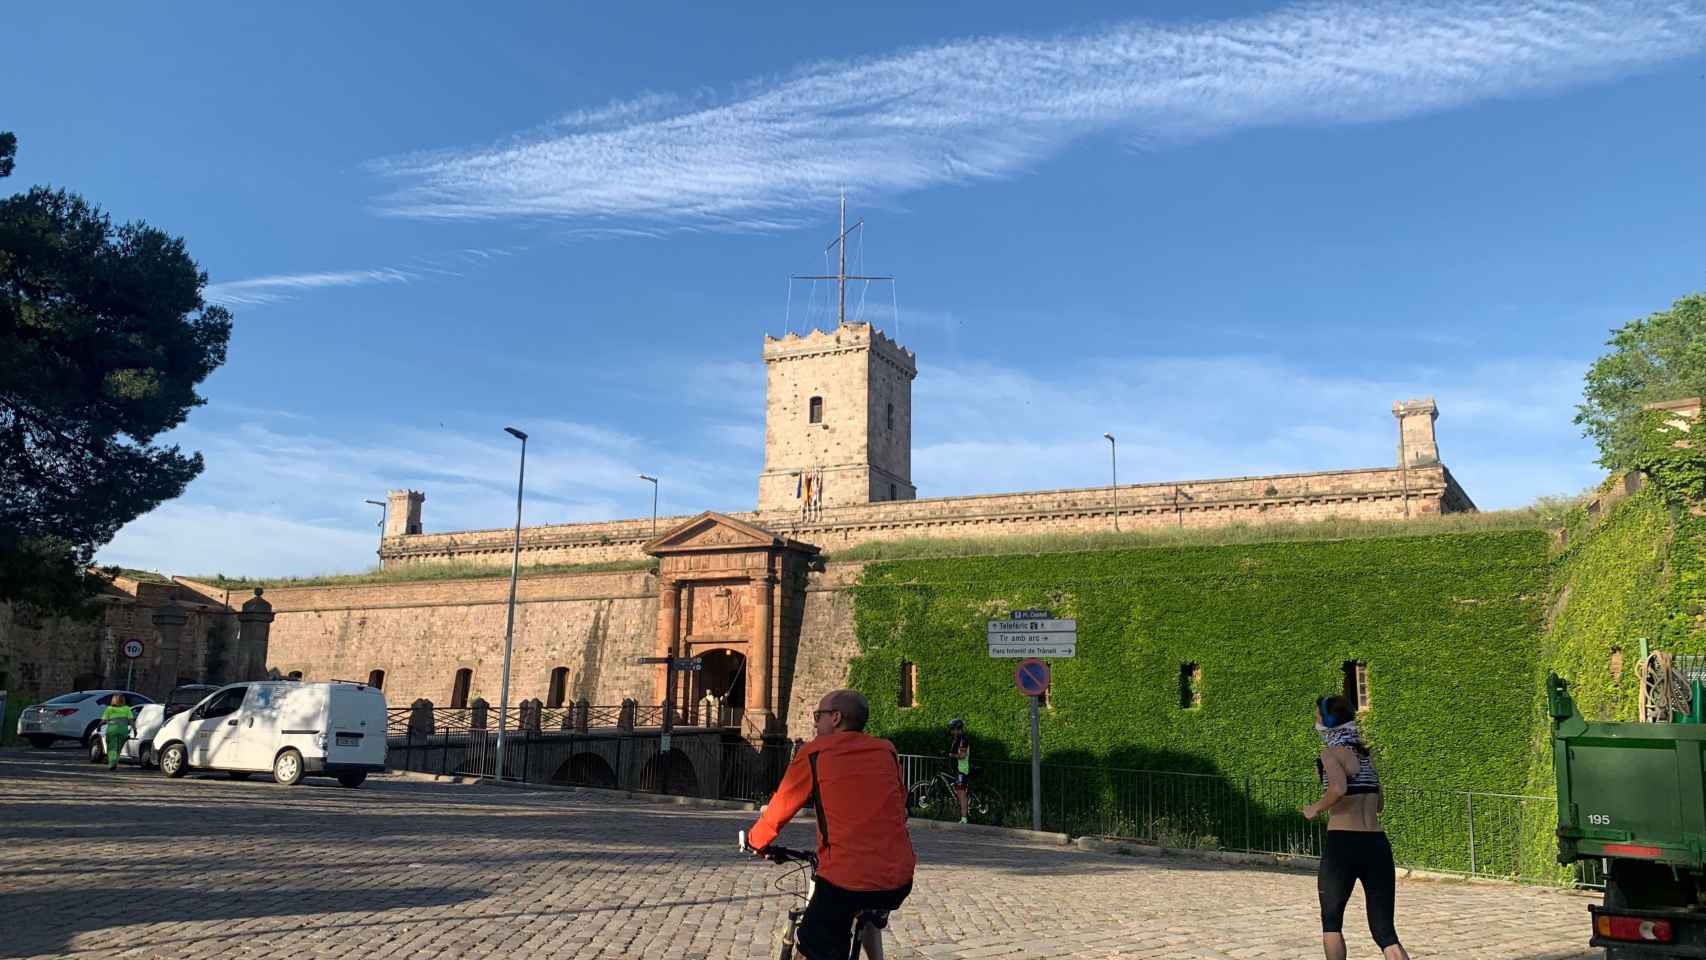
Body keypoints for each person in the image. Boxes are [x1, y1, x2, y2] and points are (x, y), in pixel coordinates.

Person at [746, 690, 916, 960]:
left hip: (845, 881)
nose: (814, 723)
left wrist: (756, 841)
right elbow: (900, 807)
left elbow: (783, 804)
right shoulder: (887, 750)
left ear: (836, 718)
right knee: (867, 913)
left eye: (818, 716)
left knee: (815, 942)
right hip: (899, 879)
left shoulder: (814, 752)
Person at [1298, 695, 1408, 960]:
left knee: (1332, 923)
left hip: (1343, 845)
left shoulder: (1331, 754)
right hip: (1377, 845)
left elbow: (1338, 788)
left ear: (1328, 721)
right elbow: (1379, 803)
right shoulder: (1367, 757)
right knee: (1385, 933)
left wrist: (1315, 807)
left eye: (1317, 715)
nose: (1315, 719)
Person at [99, 694, 134, 772]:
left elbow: (103, 720)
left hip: (112, 730)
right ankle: (114, 762)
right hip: (123, 731)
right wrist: (134, 729)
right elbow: (131, 720)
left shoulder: (109, 709)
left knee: (112, 747)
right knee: (118, 748)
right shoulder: (127, 709)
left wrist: (99, 726)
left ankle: (112, 763)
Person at [947, 718, 970, 823]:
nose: (951, 732)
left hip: (962, 769)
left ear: (957, 729)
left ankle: (964, 818)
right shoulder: (957, 739)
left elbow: (962, 755)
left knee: (961, 794)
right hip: (957, 769)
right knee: (959, 792)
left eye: (952, 729)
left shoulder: (963, 739)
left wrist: (952, 755)